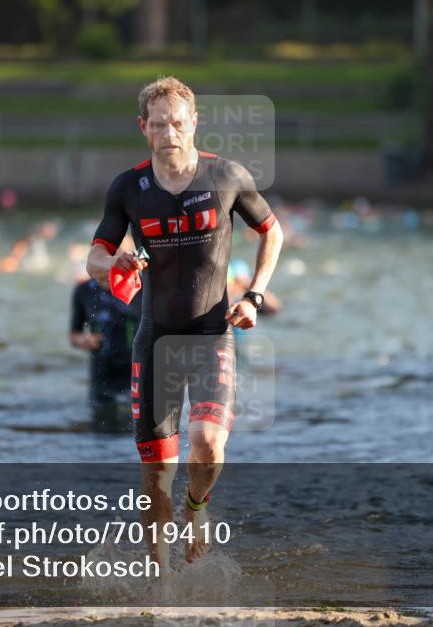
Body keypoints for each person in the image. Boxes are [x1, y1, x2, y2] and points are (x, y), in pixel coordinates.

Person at [86, 76, 283, 569]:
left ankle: (196, 510)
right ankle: (161, 586)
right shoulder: (128, 188)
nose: (170, 132)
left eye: (178, 123)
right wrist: (115, 266)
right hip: (155, 342)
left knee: (209, 444)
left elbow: (272, 231)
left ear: (194, 123)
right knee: (156, 479)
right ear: (144, 128)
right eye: (159, 125)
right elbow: (94, 257)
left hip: (212, 334)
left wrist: (254, 296)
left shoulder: (227, 176)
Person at [70, 269, 142, 434]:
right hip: (102, 371)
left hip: (135, 369)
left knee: (133, 430)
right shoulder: (84, 290)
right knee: (101, 428)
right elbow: (74, 335)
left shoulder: (141, 287)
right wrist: (84, 340)